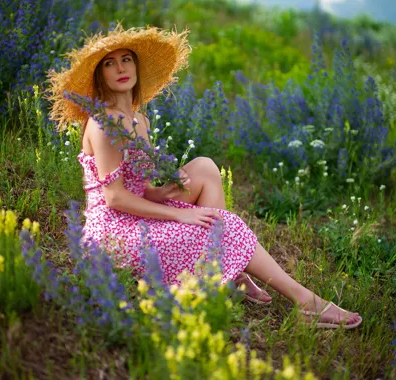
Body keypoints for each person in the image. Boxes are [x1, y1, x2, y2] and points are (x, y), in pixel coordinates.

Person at [48, 24, 362, 329]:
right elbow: (114, 197)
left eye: (126, 59)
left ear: (136, 66)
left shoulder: (138, 119)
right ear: (100, 75)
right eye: (109, 63)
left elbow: (139, 186)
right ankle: (305, 302)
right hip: (112, 234)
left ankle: (228, 272)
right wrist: (178, 214)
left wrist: (160, 192)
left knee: (206, 169)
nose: (120, 68)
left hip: (135, 212)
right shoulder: (104, 123)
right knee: (222, 226)